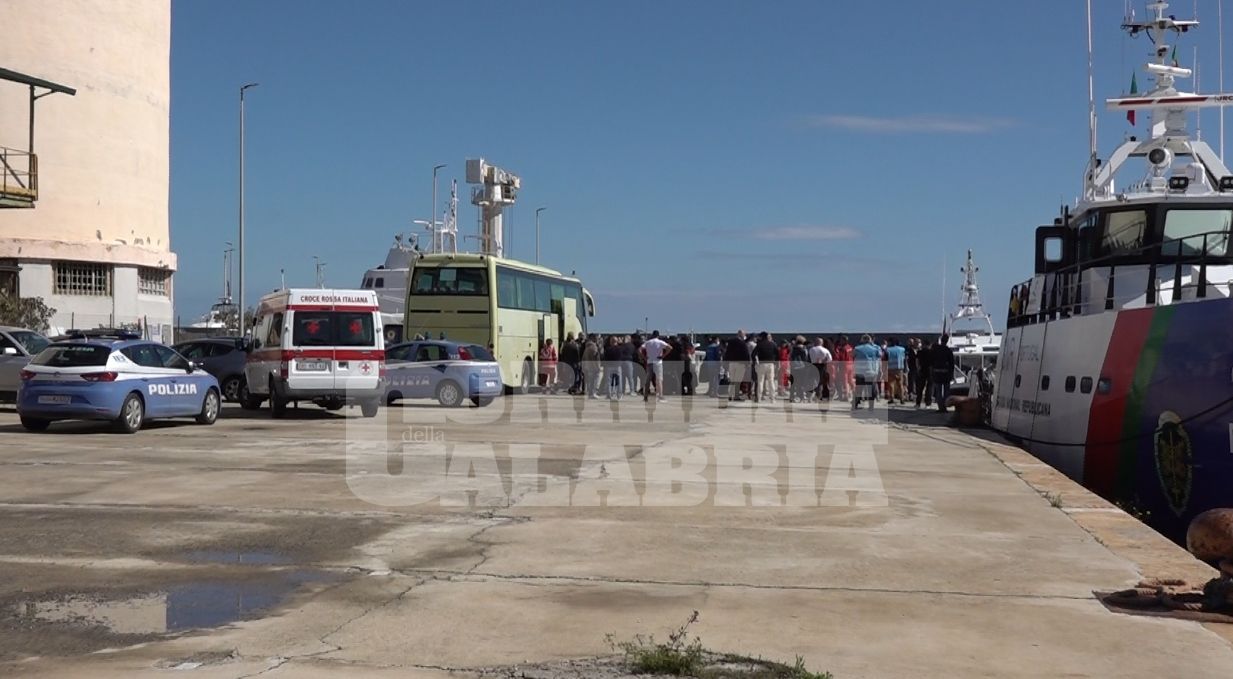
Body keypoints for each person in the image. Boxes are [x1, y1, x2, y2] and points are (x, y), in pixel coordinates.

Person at [852, 334, 882, 410]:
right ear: (870, 340)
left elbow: (853, 355)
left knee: (859, 388)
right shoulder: (875, 349)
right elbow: (880, 355)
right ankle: (871, 407)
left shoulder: (857, 348)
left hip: (860, 371)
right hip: (871, 371)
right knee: (871, 389)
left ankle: (855, 405)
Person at [640, 330, 671, 402]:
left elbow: (639, 349)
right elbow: (670, 348)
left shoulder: (648, 342)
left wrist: (644, 357)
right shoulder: (660, 342)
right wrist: (663, 356)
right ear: (658, 335)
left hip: (650, 362)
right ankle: (660, 396)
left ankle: (645, 396)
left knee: (648, 380)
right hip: (658, 362)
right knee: (659, 379)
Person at [930, 334, 956, 413]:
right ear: (947, 341)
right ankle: (944, 407)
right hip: (946, 373)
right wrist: (951, 374)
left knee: (938, 390)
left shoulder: (935, 349)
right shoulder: (948, 350)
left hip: (936, 372)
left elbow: (931, 361)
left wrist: (931, 372)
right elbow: (952, 364)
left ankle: (940, 407)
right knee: (946, 391)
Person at [723, 330, 751, 401]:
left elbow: (727, 353)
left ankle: (730, 395)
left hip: (732, 364)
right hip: (740, 364)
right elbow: (746, 353)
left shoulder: (731, 342)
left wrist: (726, 362)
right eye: (744, 334)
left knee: (732, 380)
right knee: (738, 381)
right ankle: (736, 396)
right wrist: (747, 363)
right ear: (741, 334)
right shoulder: (742, 343)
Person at [753, 331, 779, 403]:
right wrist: (776, 364)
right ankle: (772, 399)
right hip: (771, 364)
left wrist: (755, 362)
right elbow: (777, 354)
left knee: (760, 382)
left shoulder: (759, 345)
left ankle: (759, 398)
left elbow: (753, 354)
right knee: (771, 382)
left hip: (761, 364)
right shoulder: (773, 344)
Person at [789, 336, 812, 402]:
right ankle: (802, 397)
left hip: (794, 367)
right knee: (802, 383)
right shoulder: (805, 349)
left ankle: (791, 397)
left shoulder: (793, 349)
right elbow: (806, 358)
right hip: (802, 367)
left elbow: (790, 357)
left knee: (793, 383)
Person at [885, 337, 907, 404]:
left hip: (891, 368)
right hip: (900, 368)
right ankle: (902, 399)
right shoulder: (902, 349)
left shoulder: (887, 350)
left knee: (891, 384)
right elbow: (905, 358)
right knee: (900, 384)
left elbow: (886, 359)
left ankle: (892, 398)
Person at [602, 336, 624, 400]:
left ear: (611, 342)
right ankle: (619, 395)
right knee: (619, 381)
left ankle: (609, 395)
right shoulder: (620, 348)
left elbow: (605, 358)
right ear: (616, 342)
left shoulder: (607, 349)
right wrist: (620, 343)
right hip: (618, 366)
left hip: (609, 366)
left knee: (609, 381)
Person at [915, 337, 934, 408]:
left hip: (922, 369)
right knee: (929, 387)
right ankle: (928, 403)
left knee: (920, 387)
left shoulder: (920, 352)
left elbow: (917, 361)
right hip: (930, 369)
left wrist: (918, 368)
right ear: (930, 344)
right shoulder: (932, 352)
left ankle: (918, 403)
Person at [582, 333, 601, 399]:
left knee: (590, 380)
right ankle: (593, 393)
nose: (597, 339)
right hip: (594, 366)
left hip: (588, 366)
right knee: (594, 380)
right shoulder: (593, 347)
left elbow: (584, 357)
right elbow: (596, 358)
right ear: (593, 338)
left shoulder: (587, 346)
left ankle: (590, 393)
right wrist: (598, 367)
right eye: (596, 338)